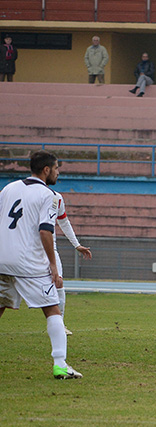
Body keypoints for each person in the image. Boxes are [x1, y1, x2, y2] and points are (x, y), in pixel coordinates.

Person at [0, 151, 82, 379]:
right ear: (46, 170)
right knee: (53, 309)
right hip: (28, 264)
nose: (58, 172)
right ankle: (60, 364)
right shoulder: (48, 195)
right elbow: (46, 230)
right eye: (56, 169)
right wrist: (53, 266)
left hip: (2, 260)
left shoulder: (9, 189)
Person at [51, 190, 92, 335]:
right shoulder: (19, 191)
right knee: (7, 290)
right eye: (56, 168)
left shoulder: (56, 198)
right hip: (23, 250)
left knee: (59, 284)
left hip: (49, 249)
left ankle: (59, 325)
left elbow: (64, 221)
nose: (58, 172)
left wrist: (76, 244)